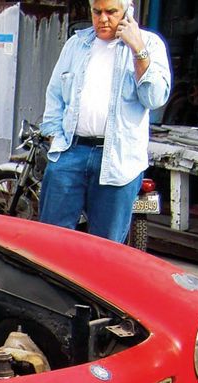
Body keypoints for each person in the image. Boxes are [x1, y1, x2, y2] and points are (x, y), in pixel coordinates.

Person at [38, 0, 171, 243]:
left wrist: (137, 49)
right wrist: (55, 137)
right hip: (70, 152)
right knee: (50, 240)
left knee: (106, 247)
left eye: (111, 12)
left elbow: (154, 98)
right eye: (97, 12)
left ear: (127, 12)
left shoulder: (149, 44)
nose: (103, 19)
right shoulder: (77, 44)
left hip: (118, 159)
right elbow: (54, 95)